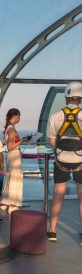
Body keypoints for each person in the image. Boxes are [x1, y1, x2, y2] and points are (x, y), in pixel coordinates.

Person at [46, 81, 82, 245]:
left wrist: (60, 153)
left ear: (67, 97)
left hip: (61, 160)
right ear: (80, 98)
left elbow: (52, 141)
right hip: (81, 160)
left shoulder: (55, 116)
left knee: (58, 196)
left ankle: (52, 231)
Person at [0, 108, 29, 214]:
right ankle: (13, 204)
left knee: (10, 178)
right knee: (15, 179)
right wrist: (22, 140)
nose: (19, 119)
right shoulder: (11, 129)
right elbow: (10, 146)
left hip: (12, 156)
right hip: (14, 155)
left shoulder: (9, 128)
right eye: (18, 117)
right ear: (15, 116)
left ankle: (6, 202)